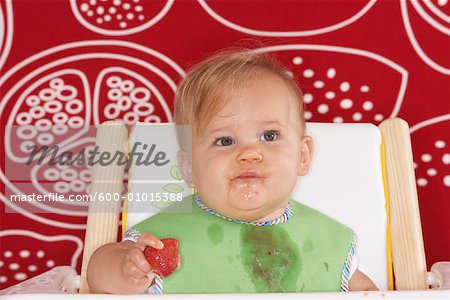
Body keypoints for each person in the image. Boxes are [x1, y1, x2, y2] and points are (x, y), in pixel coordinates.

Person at [87, 49, 378, 294]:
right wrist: (127, 271)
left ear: (302, 156)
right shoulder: (163, 239)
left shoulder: (329, 241)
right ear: (188, 167)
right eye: (224, 141)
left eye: (269, 136)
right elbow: (97, 274)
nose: (249, 154)